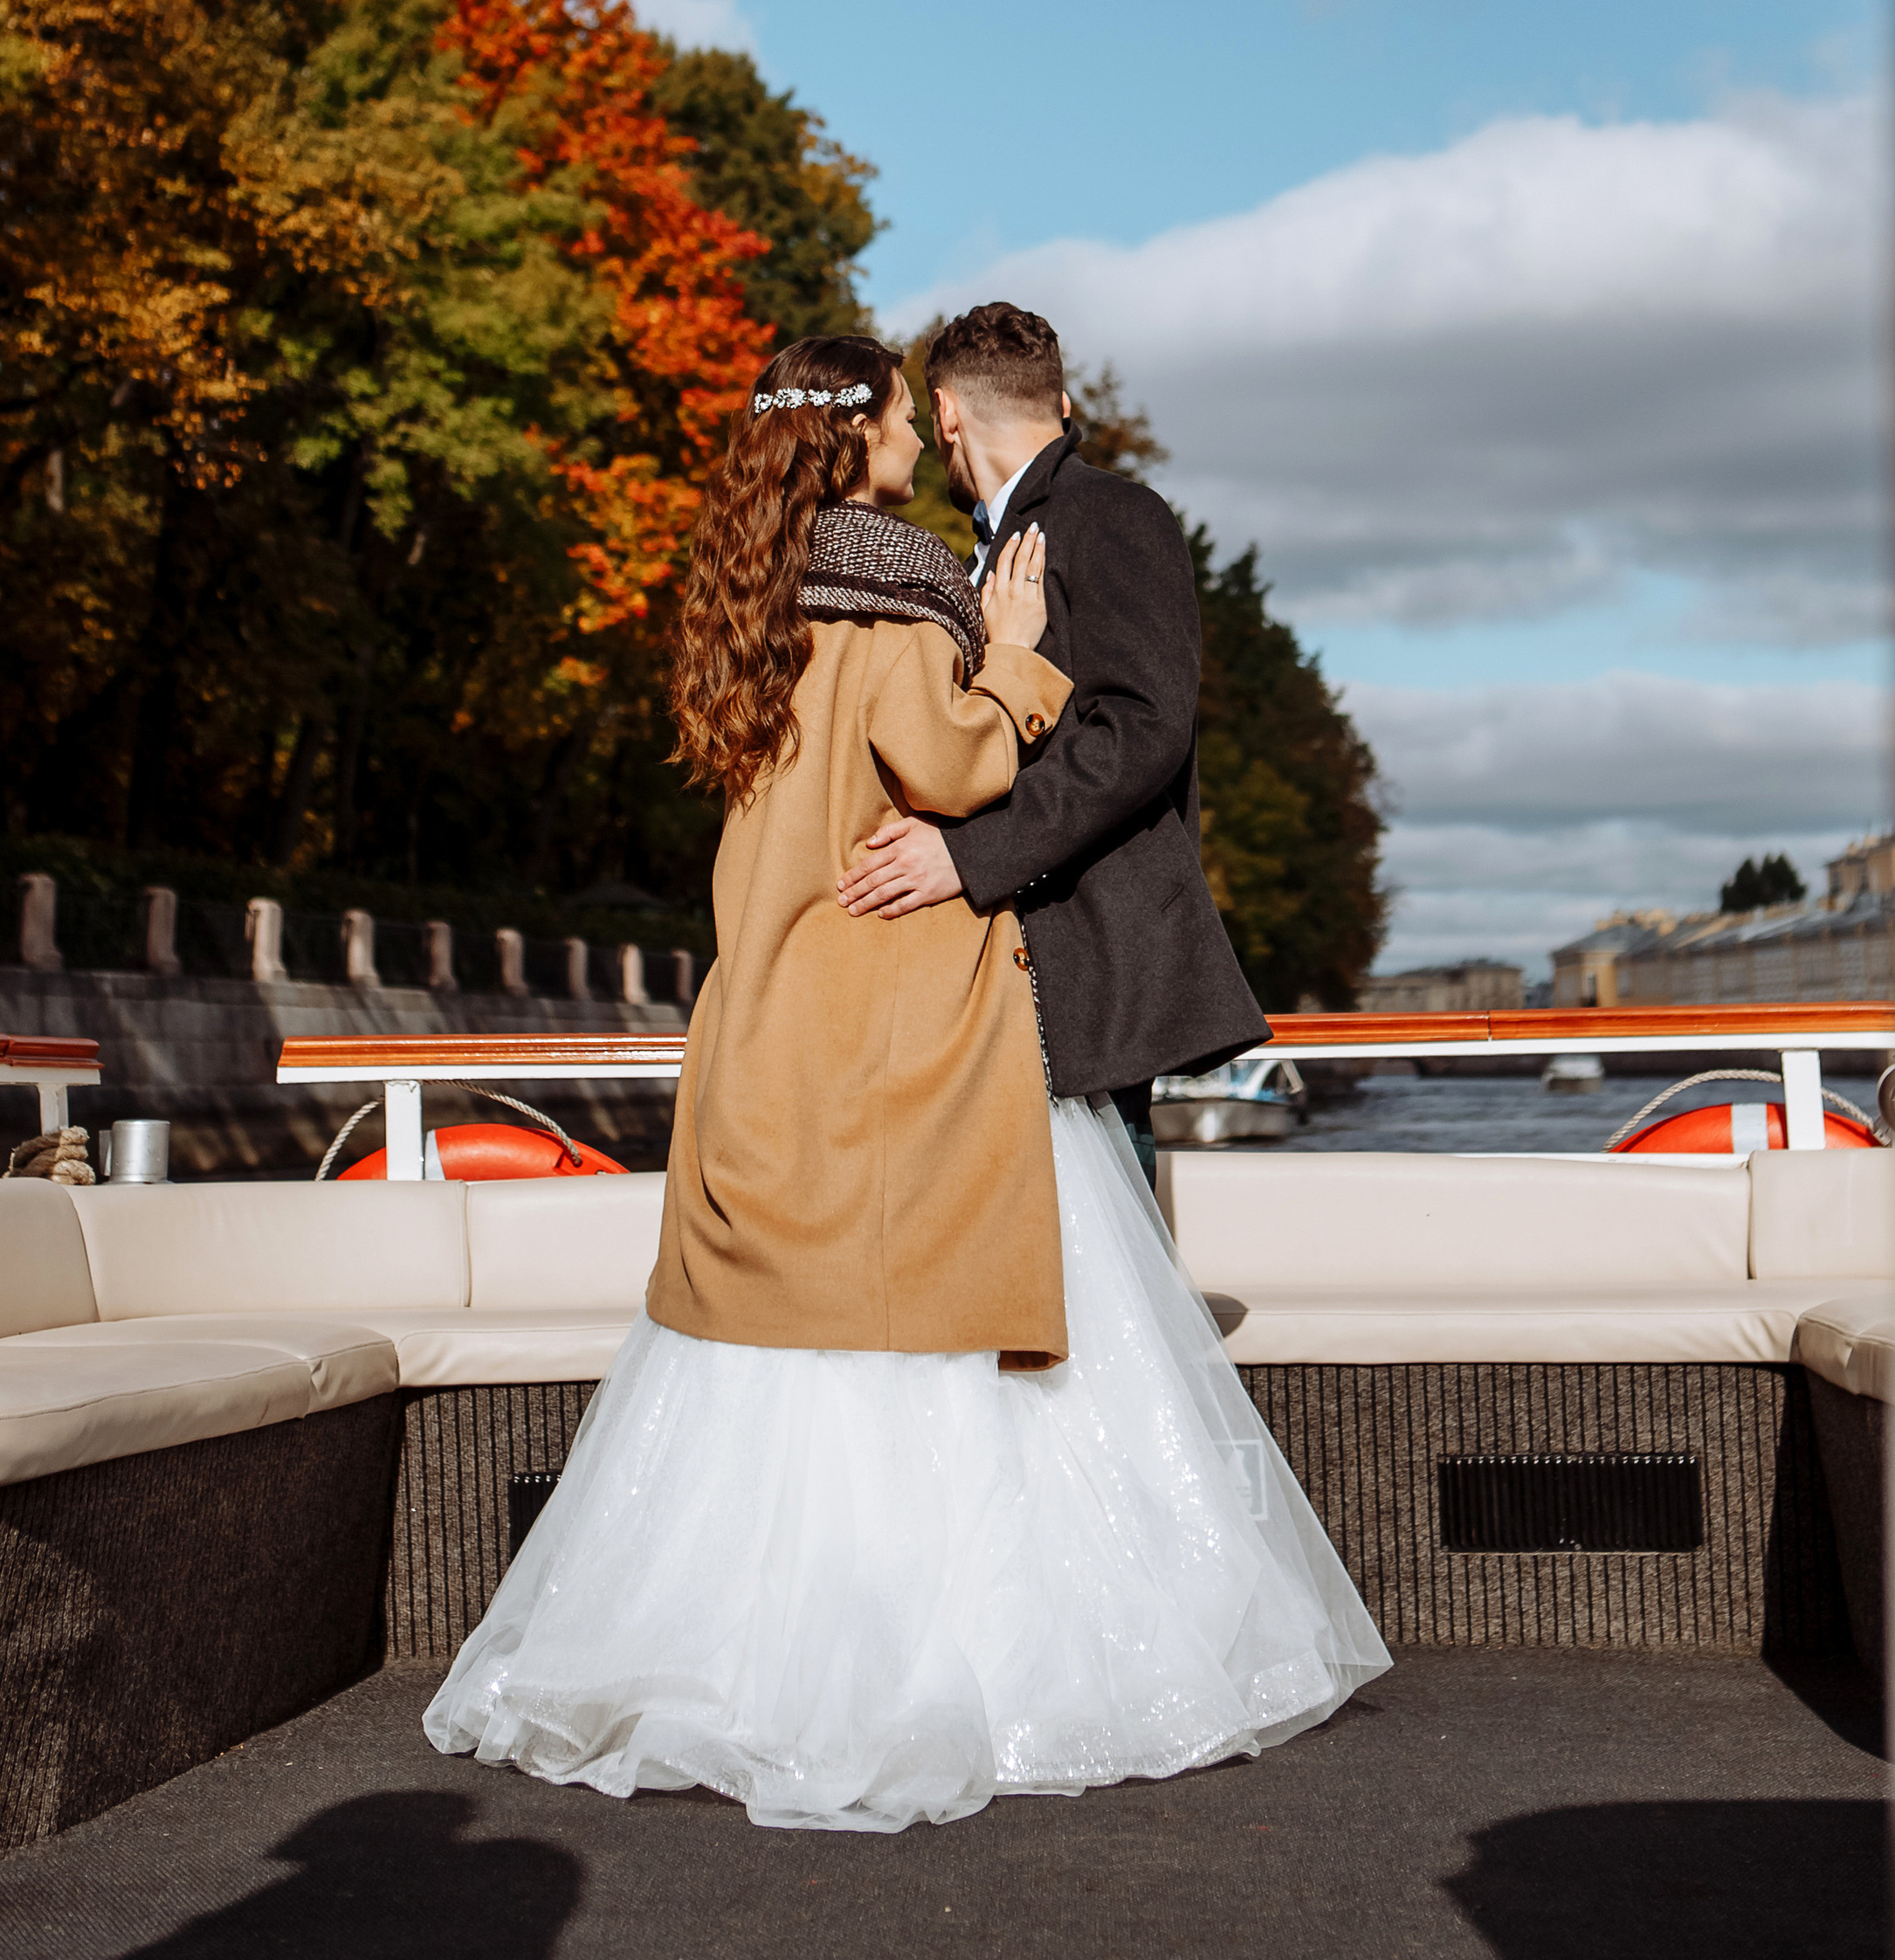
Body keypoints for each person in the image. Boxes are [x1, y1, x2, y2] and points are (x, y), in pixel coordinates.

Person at [424, 333, 1387, 1832]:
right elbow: (947, 768)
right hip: (899, 1032)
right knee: (961, 1337)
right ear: (873, 427)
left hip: (771, 1026)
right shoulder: (886, 602)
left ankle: (747, 1665)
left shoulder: (755, 604)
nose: (914, 440)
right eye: (890, 416)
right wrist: (1006, 655)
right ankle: (968, 1674)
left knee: (781, 1374)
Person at [839, 301, 1268, 1185]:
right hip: (996, 970)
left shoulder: (1115, 514)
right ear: (1062, 403)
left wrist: (971, 854)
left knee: (1104, 1262)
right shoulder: (983, 552)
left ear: (948, 412)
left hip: (1091, 967)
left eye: (926, 418)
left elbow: (1144, 727)